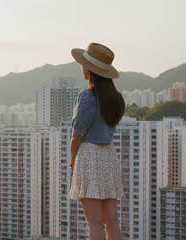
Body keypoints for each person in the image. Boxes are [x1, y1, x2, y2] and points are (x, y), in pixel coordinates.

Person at [68, 43, 125, 240]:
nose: (82, 67)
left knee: (94, 221)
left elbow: (77, 136)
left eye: (83, 64)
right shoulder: (118, 99)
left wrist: (73, 160)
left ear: (90, 69)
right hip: (108, 155)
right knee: (112, 220)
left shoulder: (87, 97)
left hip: (90, 155)